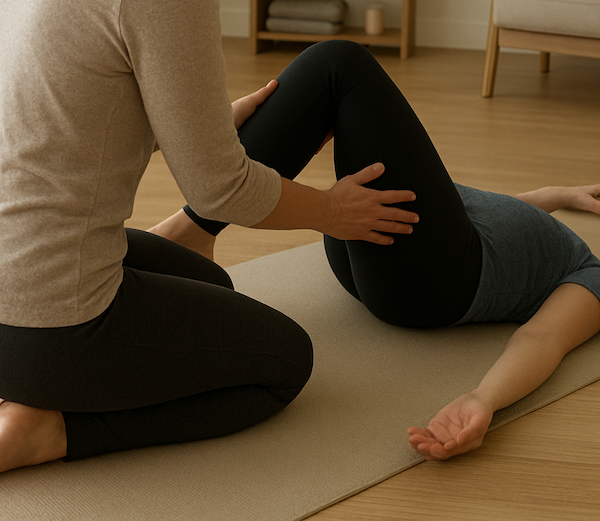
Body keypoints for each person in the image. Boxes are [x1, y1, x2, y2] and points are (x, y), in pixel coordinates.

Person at [0, 0, 415, 472]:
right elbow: (220, 191)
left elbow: (63, 104)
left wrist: (205, 115)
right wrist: (334, 211)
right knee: (282, 359)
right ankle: (44, 429)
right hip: (46, 322)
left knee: (206, 286)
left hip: (9, 281)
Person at [172, 39, 600, 462]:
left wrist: (484, 398)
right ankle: (198, 223)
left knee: (341, 66)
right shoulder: (557, 237)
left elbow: (543, 339)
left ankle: (194, 226)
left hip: (427, 280)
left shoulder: (590, 272)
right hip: (385, 243)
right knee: (332, 84)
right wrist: (557, 193)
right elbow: (498, 210)